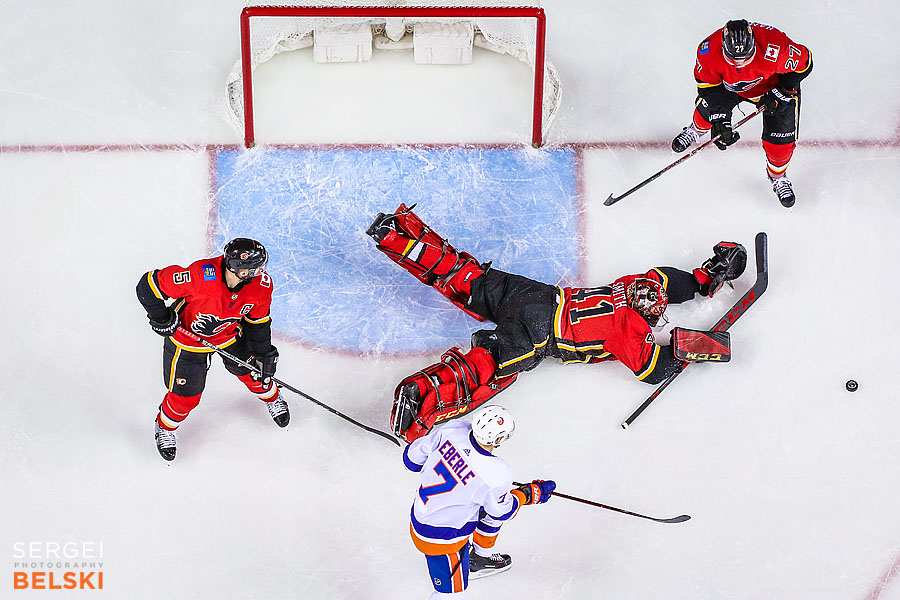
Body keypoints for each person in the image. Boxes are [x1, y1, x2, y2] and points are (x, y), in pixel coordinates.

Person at [366, 204, 747, 442]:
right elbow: (652, 370)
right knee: (488, 366)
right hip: (539, 333)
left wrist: (702, 280)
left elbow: (663, 279)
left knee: (470, 278)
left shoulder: (631, 285)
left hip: (535, 295)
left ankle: (397, 234)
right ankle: (419, 397)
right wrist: (688, 349)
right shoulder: (628, 329)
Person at [136, 238, 289, 461]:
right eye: (255, 269)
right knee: (186, 397)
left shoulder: (261, 286)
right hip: (187, 340)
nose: (260, 272)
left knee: (257, 374)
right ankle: (165, 427)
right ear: (240, 270)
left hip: (228, 335)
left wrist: (263, 352)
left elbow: (258, 322)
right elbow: (148, 286)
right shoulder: (199, 276)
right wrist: (161, 318)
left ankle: (273, 398)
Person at [403, 404, 555, 599]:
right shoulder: (496, 474)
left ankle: (480, 557)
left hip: (421, 515)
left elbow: (411, 461)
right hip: (442, 539)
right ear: (498, 439)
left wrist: (454, 464)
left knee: (489, 506)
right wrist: (528, 493)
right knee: (452, 596)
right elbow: (503, 511)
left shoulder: (453, 429)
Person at [670, 19, 813, 208]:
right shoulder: (708, 50)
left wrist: (784, 90)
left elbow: (805, 64)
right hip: (729, 88)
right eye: (734, 58)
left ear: (753, 43)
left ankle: (777, 176)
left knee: (780, 145)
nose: (740, 63)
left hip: (772, 90)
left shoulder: (776, 46)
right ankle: (695, 130)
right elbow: (708, 89)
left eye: (745, 57)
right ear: (723, 47)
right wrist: (719, 116)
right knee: (706, 112)